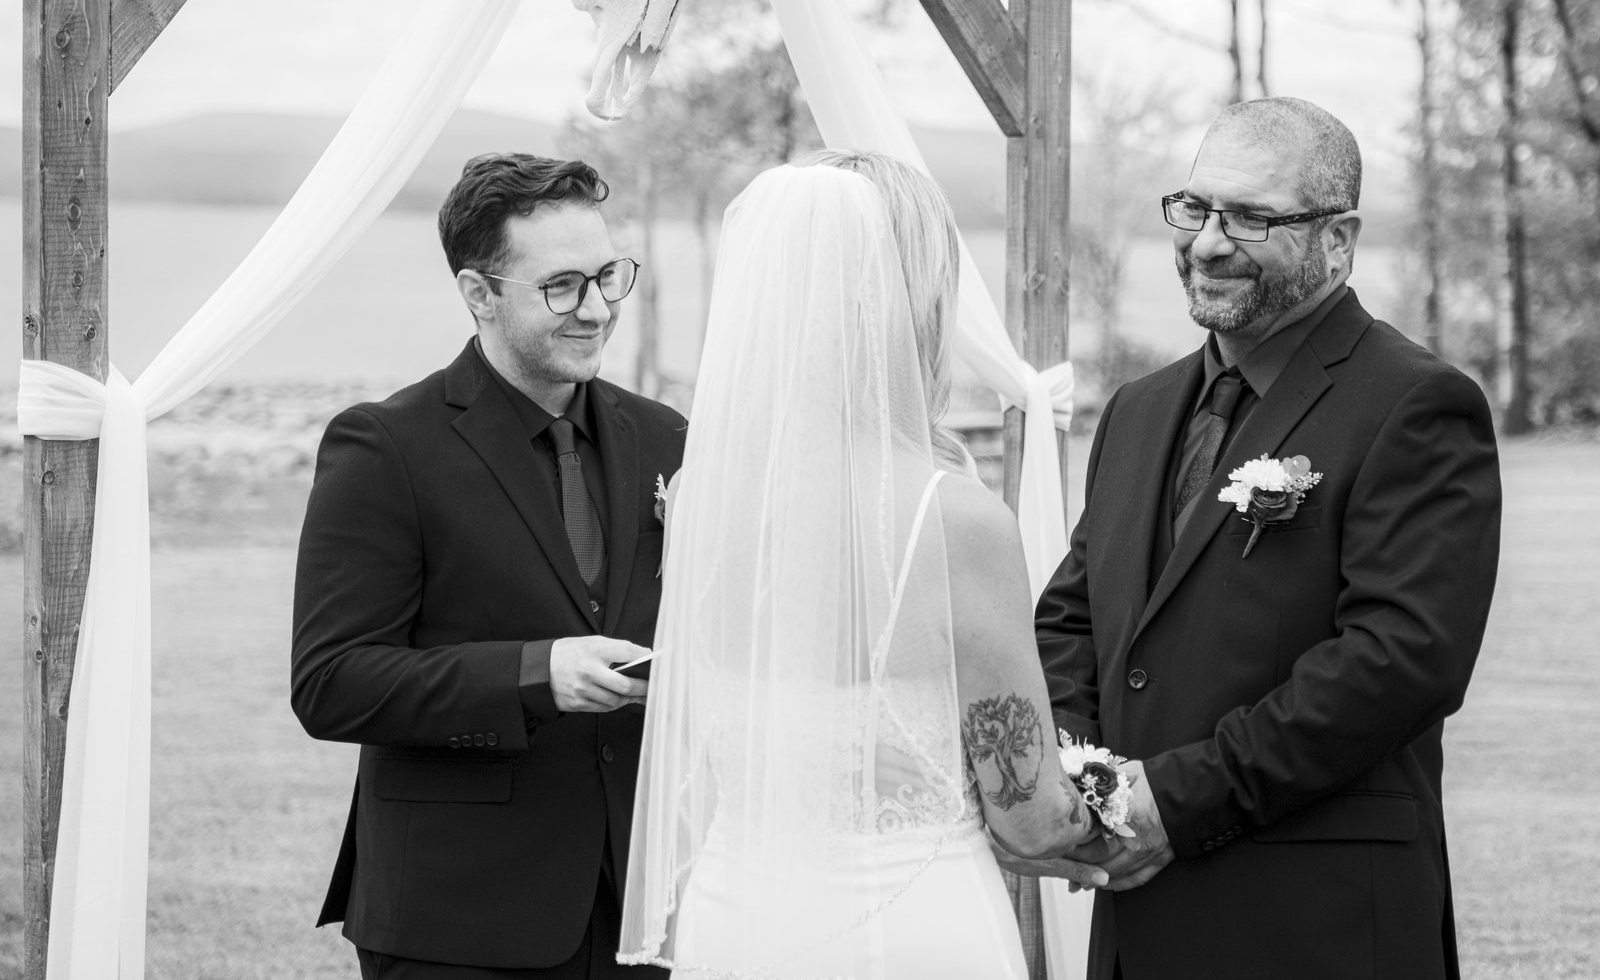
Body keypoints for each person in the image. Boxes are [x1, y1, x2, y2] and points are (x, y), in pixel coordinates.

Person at [1028, 97, 1502, 980]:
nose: (1208, 242)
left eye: (1251, 217)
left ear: (1339, 237)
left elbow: (1399, 662)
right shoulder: (1136, 411)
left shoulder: (1416, 403)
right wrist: (1091, 794)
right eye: (1197, 208)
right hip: (1140, 922)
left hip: (1312, 925)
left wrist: (1172, 801)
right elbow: (1071, 625)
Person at [616, 151, 1106, 980]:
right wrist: (1113, 811)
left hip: (734, 916)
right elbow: (1026, 815)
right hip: (908, 928)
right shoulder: (954, 519)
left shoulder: (703, 494)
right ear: (917, 298)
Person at [291, 153, 686, 980]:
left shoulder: (667, 437)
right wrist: (536, 674)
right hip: (459, 918)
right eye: (563, 286)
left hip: (646, 906)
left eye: (610, 277)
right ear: (479, 295)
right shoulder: (385, 446)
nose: (598, 309)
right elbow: (331, 682)